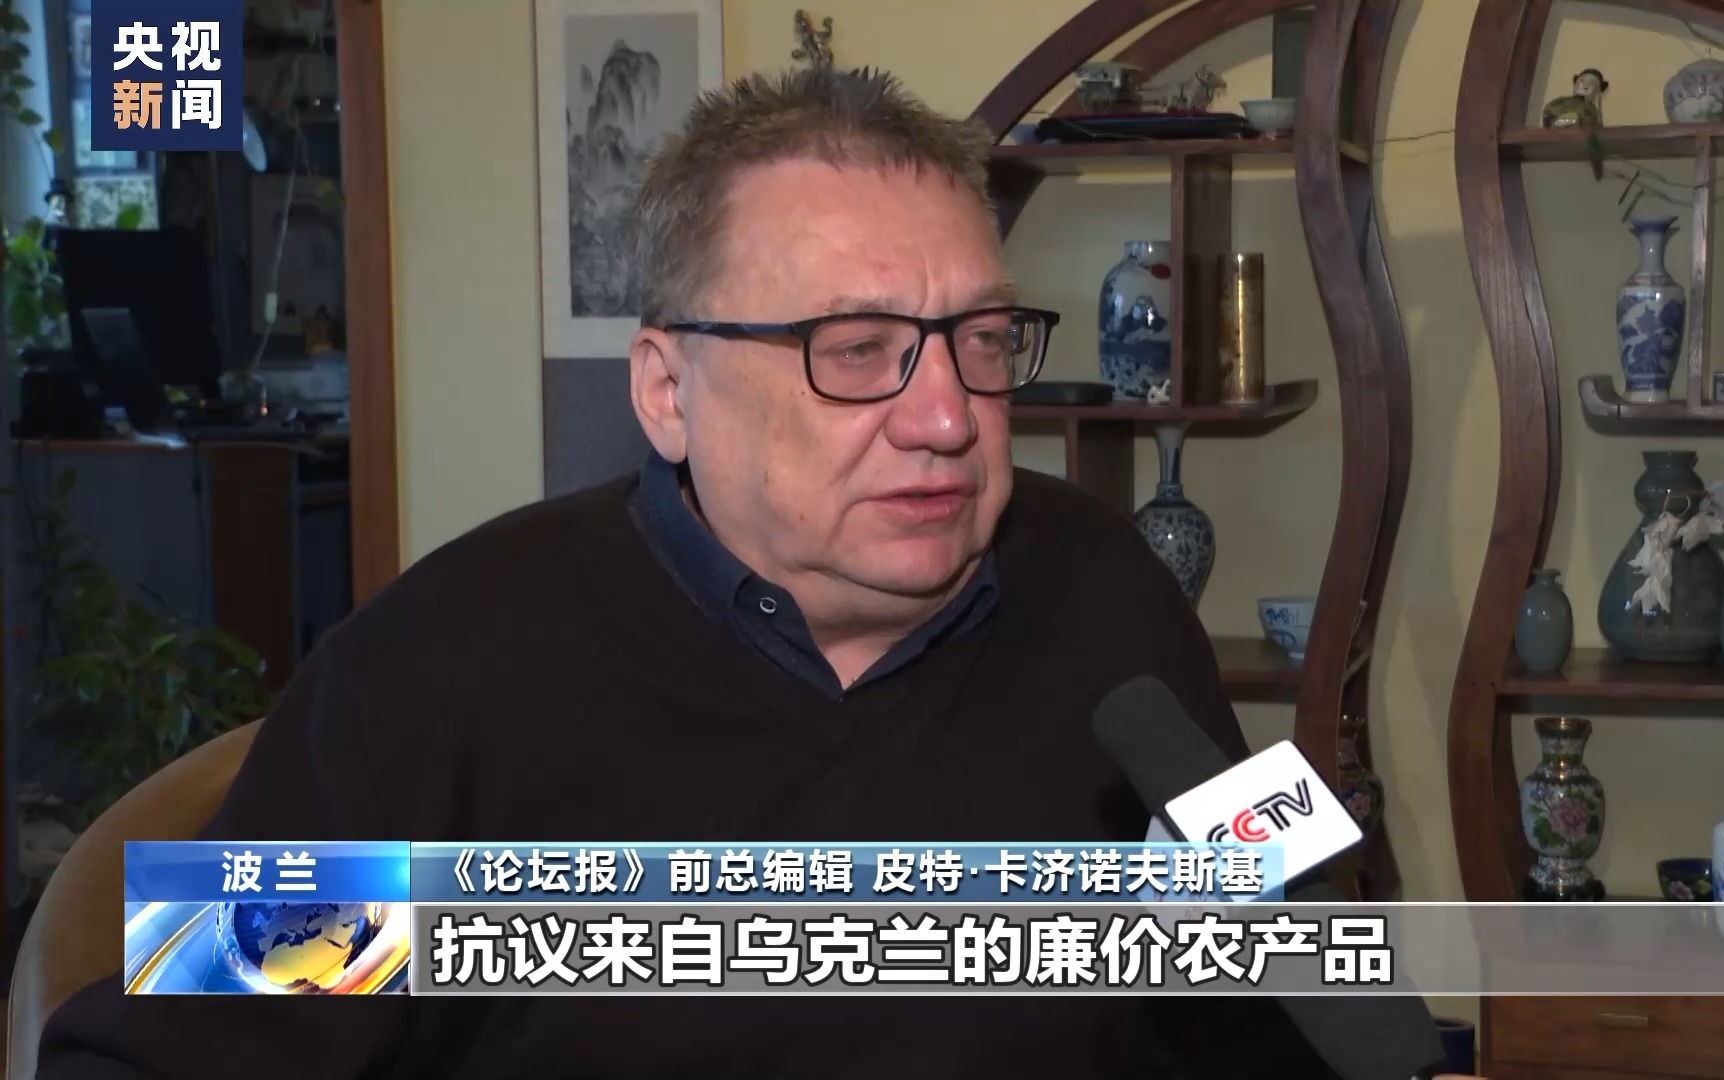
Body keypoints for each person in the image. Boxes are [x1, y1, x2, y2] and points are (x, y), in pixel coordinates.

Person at [37, 67, 1467, 1079]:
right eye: (856, 350)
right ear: (668, 391)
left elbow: (1289, 986)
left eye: (980, 341)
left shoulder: (1112, 596)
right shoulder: (436, 677)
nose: (946, 415)